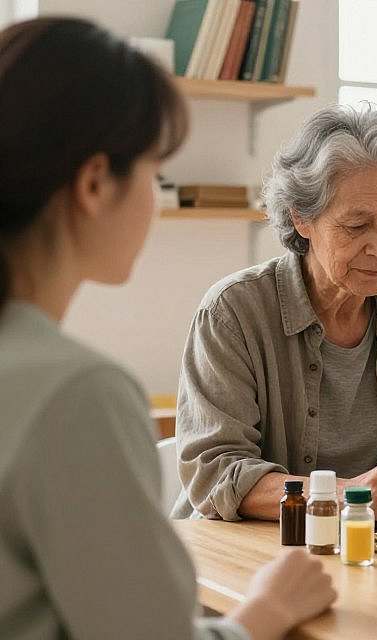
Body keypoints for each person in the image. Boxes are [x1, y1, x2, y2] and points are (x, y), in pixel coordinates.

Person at [0, 17, 335, 639]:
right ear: (95, 183)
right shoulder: (77, 395)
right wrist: (269, 608)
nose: (156, 197)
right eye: (156, 171)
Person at [173, 104, 377, 523]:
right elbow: (215, 473)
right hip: (249, 554)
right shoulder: (232, 313)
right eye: (357, 225)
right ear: (301, 219)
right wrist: (344, 495)